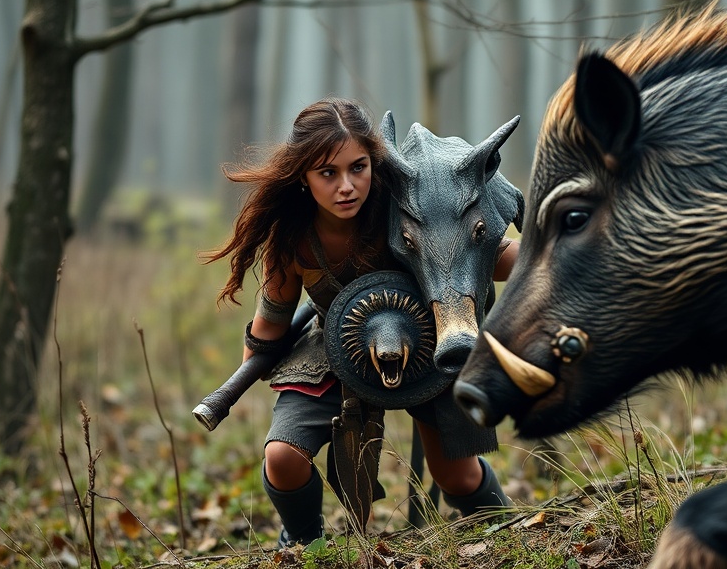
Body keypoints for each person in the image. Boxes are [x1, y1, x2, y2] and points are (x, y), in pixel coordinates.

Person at [204, 96, 518, 548]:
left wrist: (558, 255)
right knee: (282, 458)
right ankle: (304, 543)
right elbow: (270, 324)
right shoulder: (293, 241)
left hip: (433, 342)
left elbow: (491, 254)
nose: (347, 186)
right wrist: (251, 363)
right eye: (328, 173)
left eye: (358, 167)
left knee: (459, 475)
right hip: (335, 347)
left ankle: (507, 535)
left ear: (375, 162)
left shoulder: (402, 203)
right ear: (303, 177)